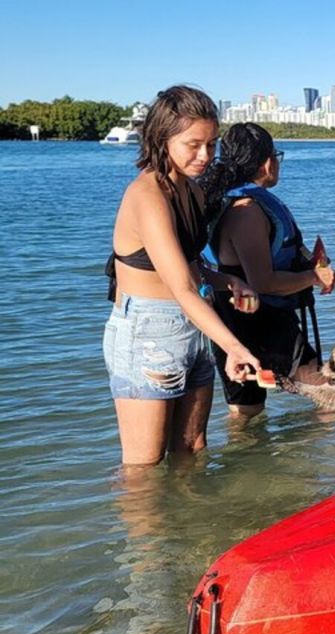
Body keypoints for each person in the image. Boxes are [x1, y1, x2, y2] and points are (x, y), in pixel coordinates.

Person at [103, 86, 262, 466]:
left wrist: (228, 281)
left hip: (191, 328)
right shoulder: (147, 194)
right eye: (193, 144)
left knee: (192, 453)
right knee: (143, 468)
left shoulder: (189, 189)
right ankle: (142, 528)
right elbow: (182, 286)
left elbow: (187, 266)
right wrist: (235, 347)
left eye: (212, 144)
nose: (205, 155)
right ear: (162, 138)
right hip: (147, 333)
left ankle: (190, 528)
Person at [200, 122, 335, 418]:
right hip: (260, 322)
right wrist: (315, 278)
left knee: (246, 411)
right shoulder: (247, 210)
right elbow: (262, 282)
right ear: (267, 162)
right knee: (332, 395)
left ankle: (248, 462)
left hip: (230, 321)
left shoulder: (230, 201)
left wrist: (309, 265)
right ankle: (317, 461)